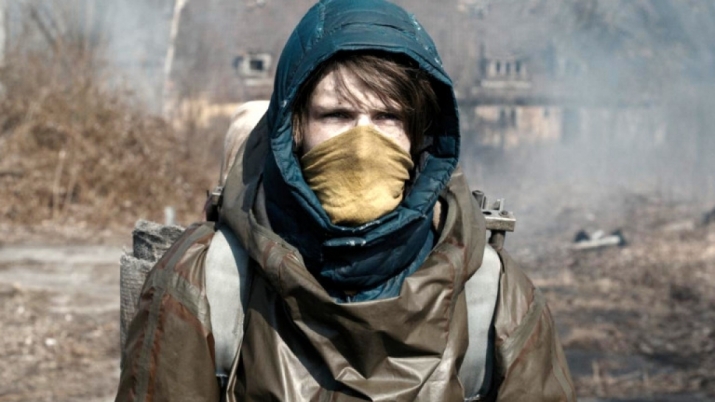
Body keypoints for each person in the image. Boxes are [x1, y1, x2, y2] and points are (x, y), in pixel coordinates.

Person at [116, 0, 576, 401]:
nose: (363, 145)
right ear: (293, 129)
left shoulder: (494, 300)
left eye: (388, 116)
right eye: (337, 115)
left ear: (420, 136)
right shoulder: (204, 283)